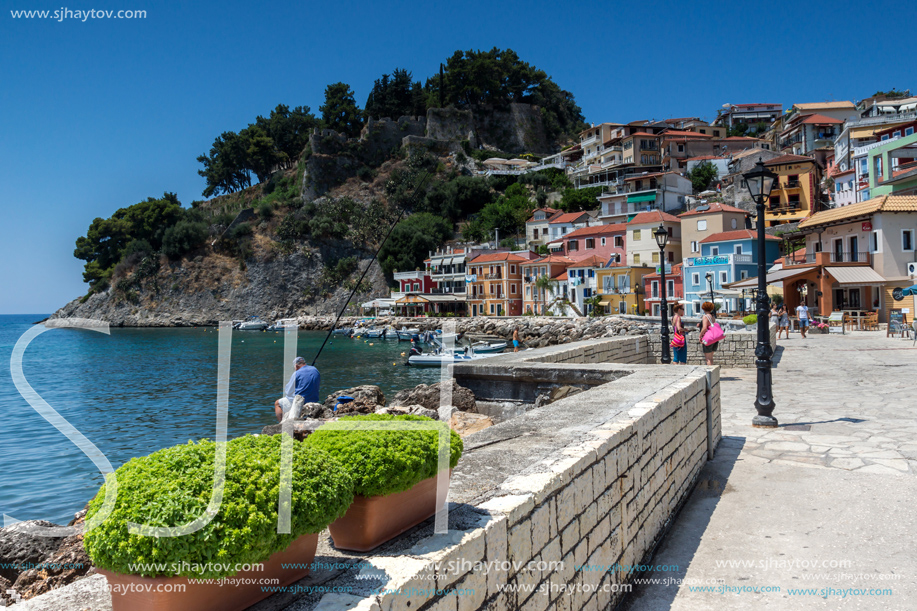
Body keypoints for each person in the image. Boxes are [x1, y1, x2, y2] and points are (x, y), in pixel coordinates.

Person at [273, 356, 320, 422]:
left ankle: (281, 425)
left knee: (277, 403)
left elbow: (288, 392)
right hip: (314, 400)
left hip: (302, 402)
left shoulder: (297, 373)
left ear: (296, 366)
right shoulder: (315, 369)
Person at [699, 301, 719, 366]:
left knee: (707, 358)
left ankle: (709, 374)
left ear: (703, 308)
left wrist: (700, 336)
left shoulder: (705, 316)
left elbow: (704, 328)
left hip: (708, 338)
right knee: (711, 357)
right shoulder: (712, 316)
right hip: (714, 338)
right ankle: (713, 374)